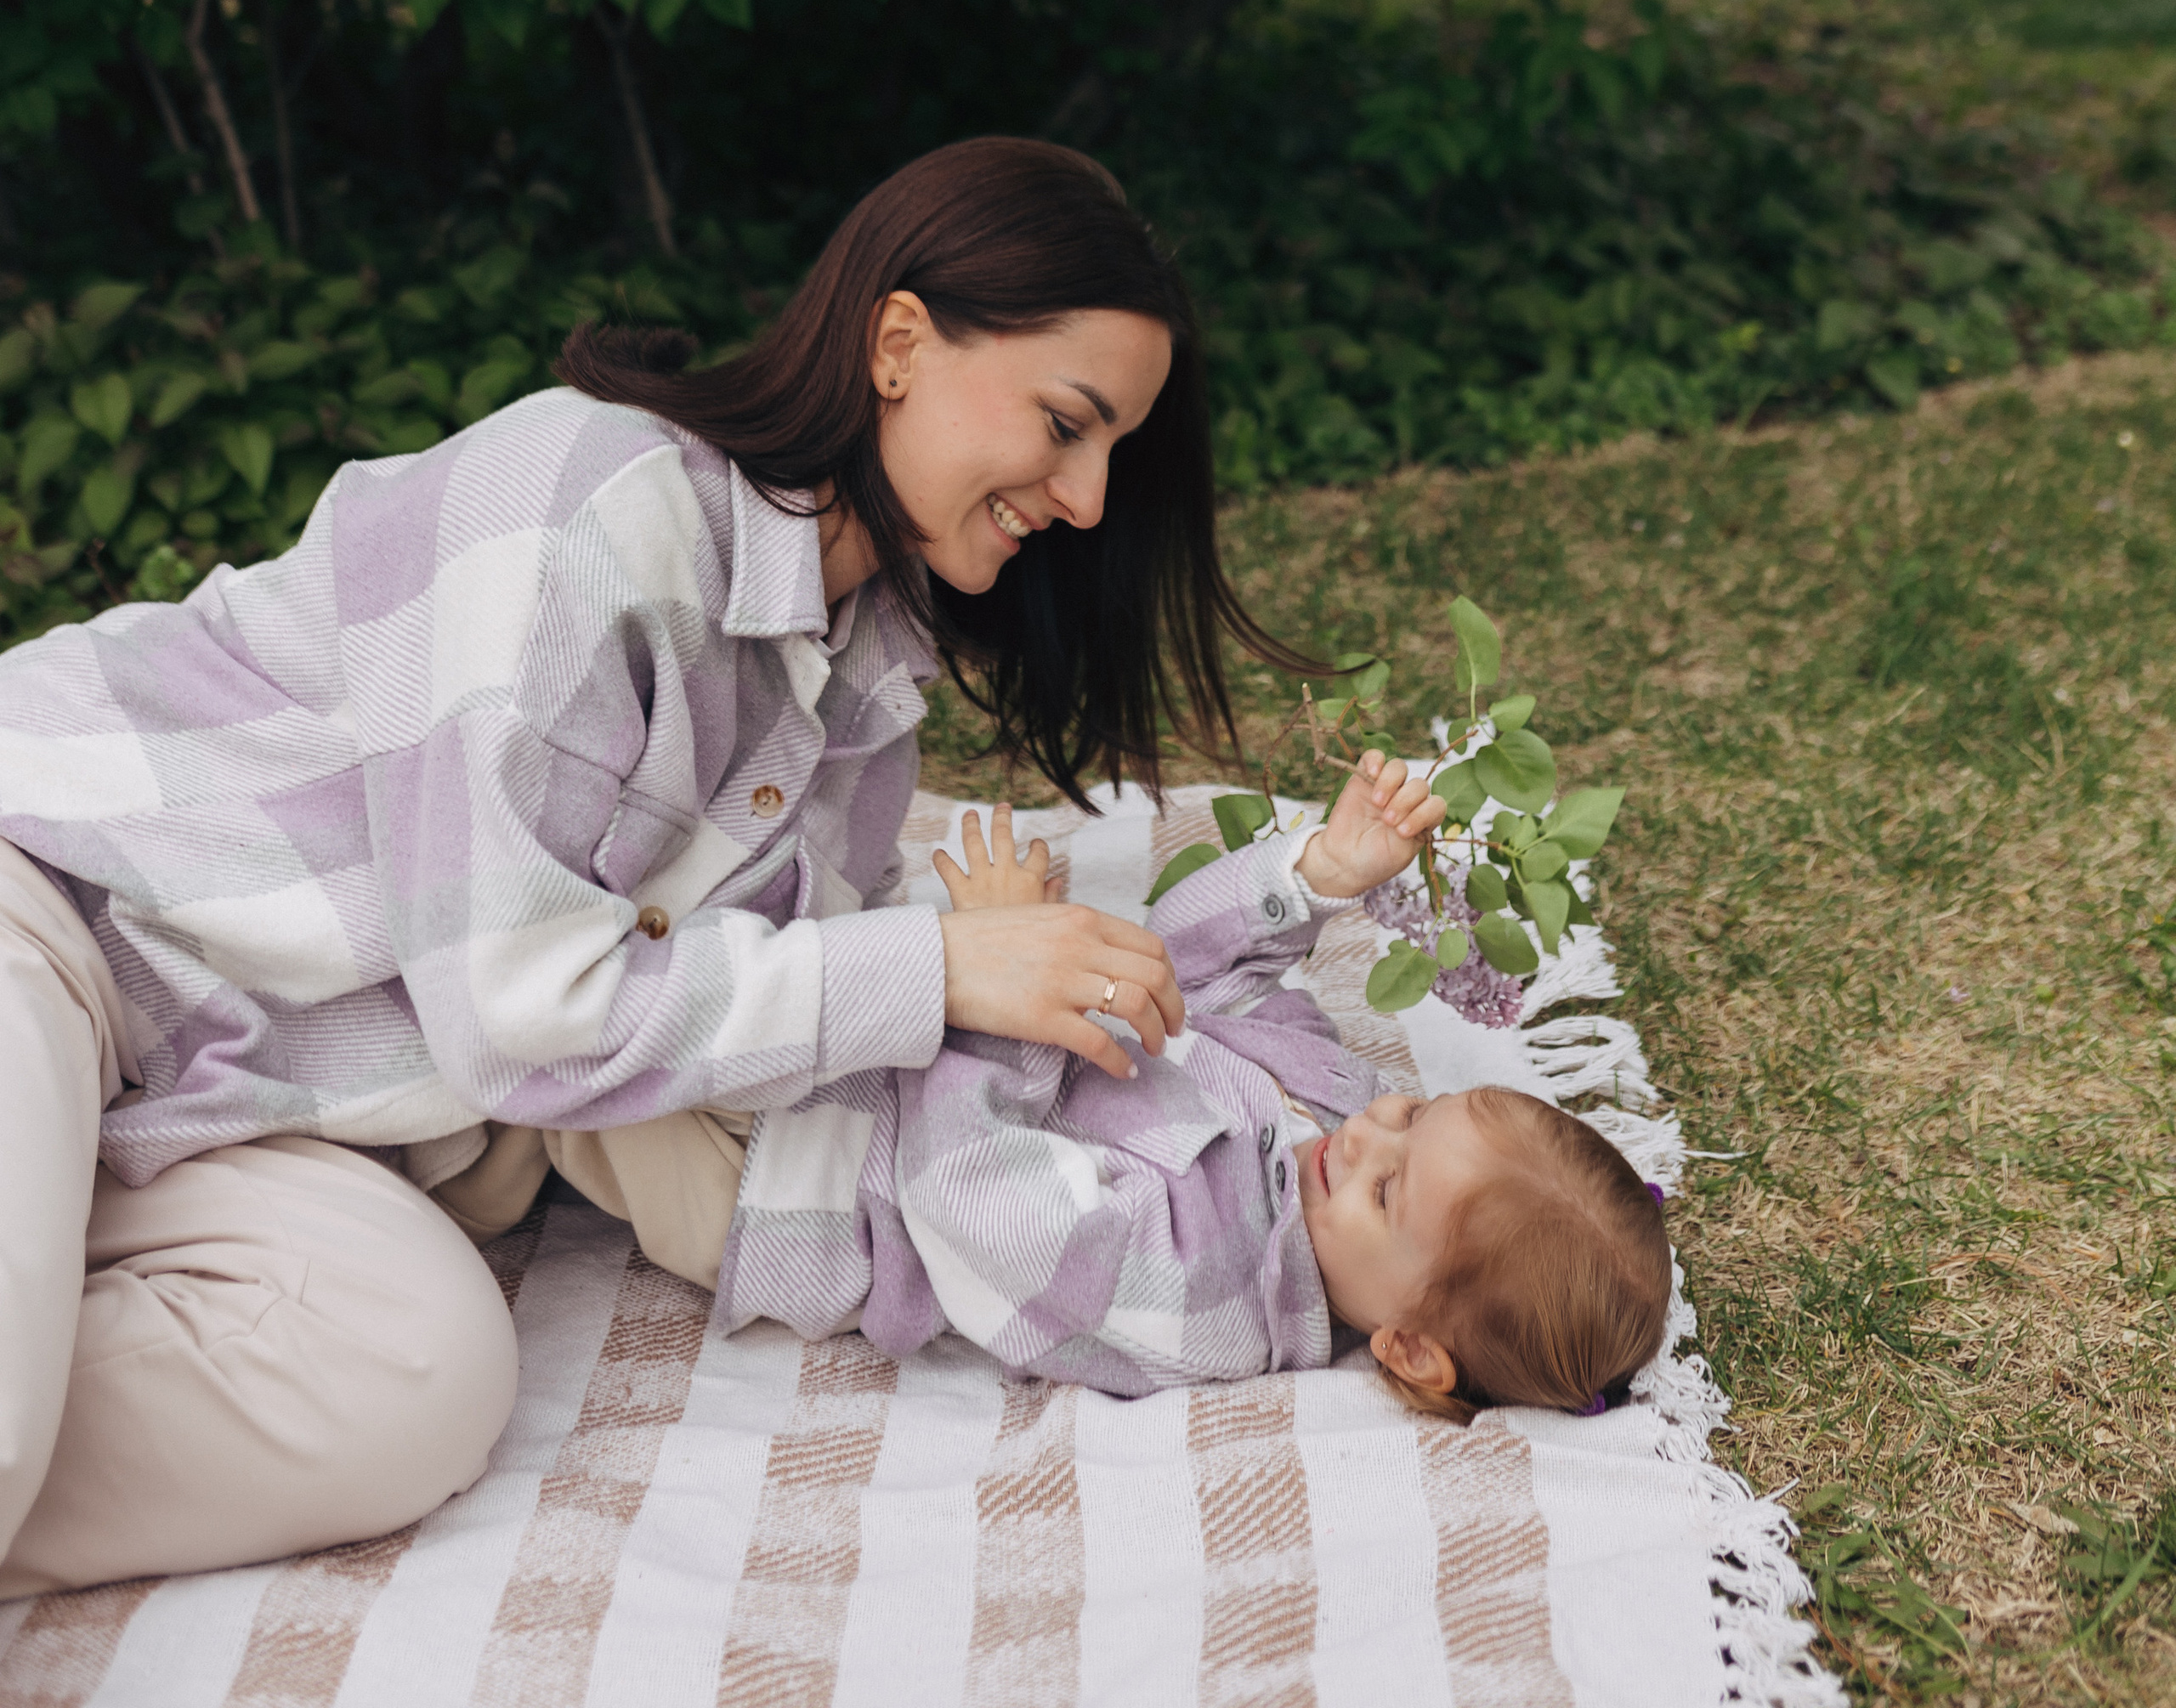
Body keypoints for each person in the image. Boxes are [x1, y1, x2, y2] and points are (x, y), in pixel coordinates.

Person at [0, 138, 1288, 1598]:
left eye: (1113, 449)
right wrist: (937, 968)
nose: (1091, 498)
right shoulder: (595, 511)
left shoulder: (863, 698)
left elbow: (736, 1044)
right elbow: (524, 1013)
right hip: (61, 909)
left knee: (416, 1373)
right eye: (1069, 424)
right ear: (899, 343)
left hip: (252, 1097)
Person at [716, 754, 1673, 1415]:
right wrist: (1313, 880)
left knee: (592, 1059)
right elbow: (1177, 979)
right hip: (858, 1025)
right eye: (1416, 1114)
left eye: (1390, 1188)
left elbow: (972, 1197)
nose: (1370, 1130)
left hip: (802, 1165)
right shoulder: (1335, 1118)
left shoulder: (1209, 1297)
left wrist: (991, 988)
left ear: (1411, 1349)